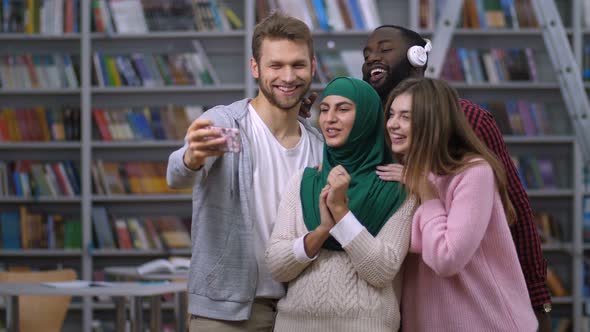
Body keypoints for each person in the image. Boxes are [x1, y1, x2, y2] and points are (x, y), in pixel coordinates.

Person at [361, 25, 552, 330]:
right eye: (367, 54)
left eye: (384, 50)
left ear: (417, 57)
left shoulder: (469, 144)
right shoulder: (371, 127)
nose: (372, 59)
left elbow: (515, 212)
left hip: (482, 314)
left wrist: (538, 297)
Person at [166, 12, 323, 331]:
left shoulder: (319, 145)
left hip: (300, 309)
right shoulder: (226, 124)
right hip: (225, 311)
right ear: (256, 68)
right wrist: (192, 157)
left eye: (298, 65)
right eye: (276, 66)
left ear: (313, 66)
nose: (288, 76)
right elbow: (176, 176)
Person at [386, 77, 537, 331]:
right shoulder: (402, 171)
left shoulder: (473, 172)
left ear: (432, 121)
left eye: (405, 116)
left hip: (486, 322)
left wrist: (428, 195)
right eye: (391, 114)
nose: (393, 124)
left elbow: (447, 258)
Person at [266, 76, 415, 332]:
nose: (329, 118)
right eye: (324, 109)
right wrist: (322, 230)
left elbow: (381, 270)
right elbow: (277, 266)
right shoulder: (304, 182)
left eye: (343, 109)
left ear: (367, 118)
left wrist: (340, 211)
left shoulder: (398, 188)